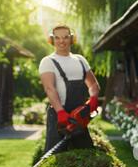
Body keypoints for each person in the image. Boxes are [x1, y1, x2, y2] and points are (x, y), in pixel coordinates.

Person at [39, 24, 100, 153]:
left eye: (66, 37)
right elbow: (49, 88)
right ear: (52, 40)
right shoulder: (48, 61)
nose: (62, 41)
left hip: (79, 117)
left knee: (86, 153)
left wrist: (93, 99)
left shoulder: (80, 60)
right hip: (59, 117)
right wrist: (60, 112)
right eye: (57, 38)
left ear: (71, 39)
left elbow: (93, 85)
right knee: (54, 157)